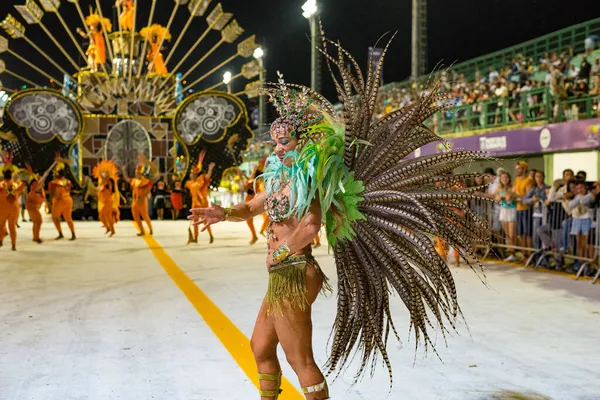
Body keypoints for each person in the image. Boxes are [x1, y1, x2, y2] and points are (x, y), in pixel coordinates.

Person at [187, 39, 489, 397]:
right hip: (281, 272)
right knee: (261, 348)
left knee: (300, 361)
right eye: (275, 142)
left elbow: (312, 225)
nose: (278, 147)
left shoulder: (310, 180)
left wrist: (283, 252)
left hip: (295, 270)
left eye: (285, 142)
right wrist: (224, 212)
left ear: (303, 143)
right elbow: (252, 207)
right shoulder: (277, 177)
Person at [186, 152, 215, 244]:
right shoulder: (190, 183)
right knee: (195, 221)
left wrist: (210, 169)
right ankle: (195, 237)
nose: (191, 174)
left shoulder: (202, 179)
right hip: (195, 203)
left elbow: (207, 176)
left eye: (193, 173)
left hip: (203, 203)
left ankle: (210, 235)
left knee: (205, 220)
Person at [0, 152, 26, 251]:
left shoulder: (1, 184)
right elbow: (22, 187)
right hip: (14, 208)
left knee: (1, 226)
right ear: (12, 173)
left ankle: (1, 241)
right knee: (12, 227)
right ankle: (13, 245)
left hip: (2, 208)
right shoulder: (17, 184)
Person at [25, 162, 55, 244]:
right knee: (39, 221)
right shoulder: (35, 188)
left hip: (34, 207)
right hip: (32, 208)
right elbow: (44, 176)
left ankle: (35, 237)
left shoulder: (40, 189)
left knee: (36, 222)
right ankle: (36, 237)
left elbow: (43, 176)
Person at [123, 159, 154, 236]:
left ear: (141, 173)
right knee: (136, 217)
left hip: (142, 201)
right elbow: (127, 179)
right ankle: (142, 231)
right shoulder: (134, 181)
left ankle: (150, 229)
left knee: (145, 216)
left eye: (138, 173)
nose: (136, 174)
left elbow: (147, 191)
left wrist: (142, 197)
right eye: (136, 173)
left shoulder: (145, 181)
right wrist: (124, 170)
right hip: (134, 201)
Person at [48, 160, 76, 241]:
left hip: (59, 201)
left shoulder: (53, 182)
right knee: (68, 218)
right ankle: (73, 234)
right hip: (68, 200)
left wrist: (50, 202)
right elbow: (69, 188)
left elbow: (53, 193)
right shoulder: (67, 181)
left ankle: (60, 233)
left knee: (54, 217)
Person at [514, 161, 534, 261]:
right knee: (520, 233)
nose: (516, 170)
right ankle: (523, 253)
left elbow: (527, 196)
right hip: (518, 208)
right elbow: (514, 191)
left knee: (527, 233)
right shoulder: (517, 179)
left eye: (518, 169)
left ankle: (529, 254)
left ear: (524, 169)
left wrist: (516, 196)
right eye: (516, 168)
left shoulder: (528, 181)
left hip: (526, 209)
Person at [495, 171, 517, 262]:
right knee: (507, 234)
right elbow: (496, 197)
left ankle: (513, 252)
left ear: (509, 178)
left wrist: (504, 196)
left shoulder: (513, 186)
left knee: (512, 234)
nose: (505, 179)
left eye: (506, 177)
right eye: (503, 178)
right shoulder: (499, 188)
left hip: (511, 210)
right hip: (503, 210)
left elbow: (512, 195)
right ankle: (510, 253)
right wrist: (502, 196)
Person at [94, 160, 119, 237]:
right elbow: (99, 188)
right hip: (104, 202)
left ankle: (109, 228)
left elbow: (106, 184)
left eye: (106, 172)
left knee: (102, 214)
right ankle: (111, 230)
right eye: (104, 172)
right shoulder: (103, 182)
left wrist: (100, 173)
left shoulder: (110, 182)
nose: (105, 173)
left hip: (108, 202)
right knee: (107, 217)